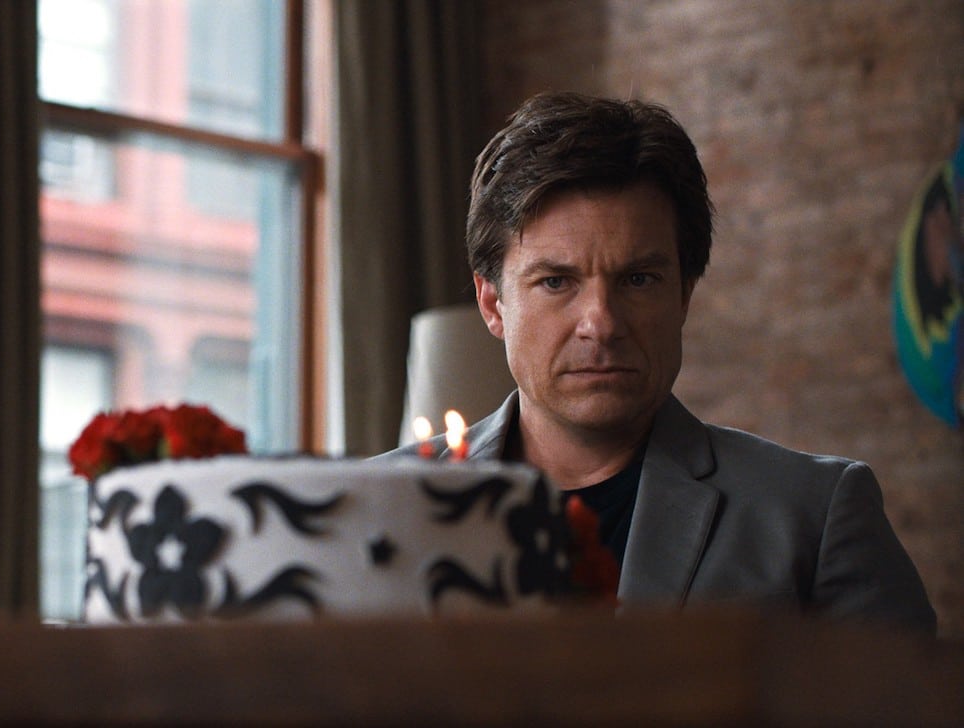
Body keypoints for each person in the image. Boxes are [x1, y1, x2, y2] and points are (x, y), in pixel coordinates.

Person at [383, 91, 937, 635]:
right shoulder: (380, 509)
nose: (601, 322)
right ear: (492, 303)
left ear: (684, 295)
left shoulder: (814, 514)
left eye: (638, 279)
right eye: (556, 282)